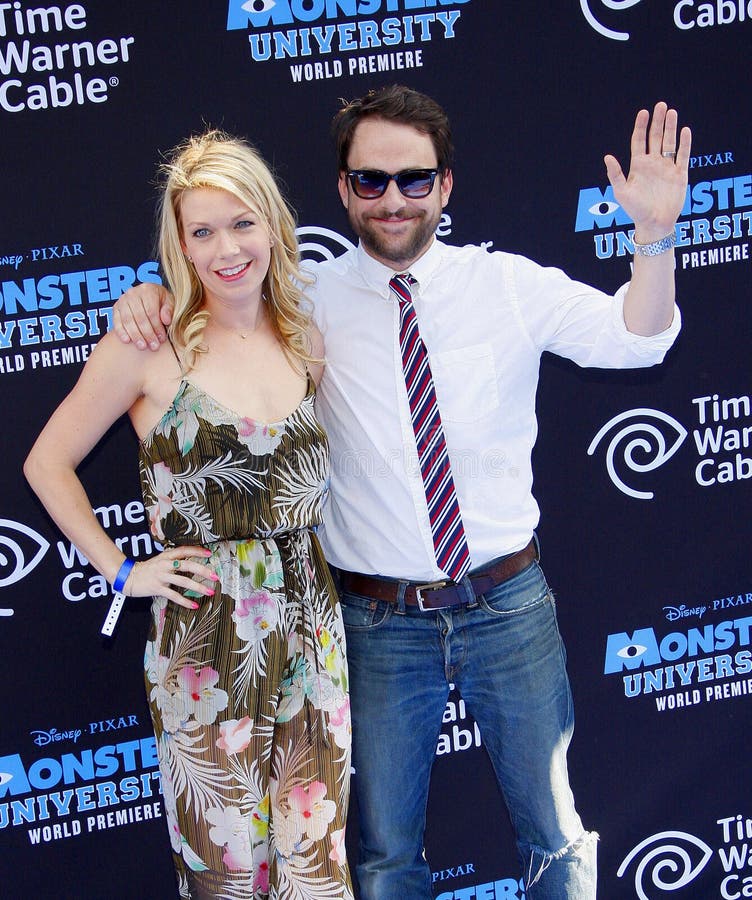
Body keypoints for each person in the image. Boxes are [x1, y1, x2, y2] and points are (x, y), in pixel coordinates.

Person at [111, 86, 691, 899]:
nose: (393, 199)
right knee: (383, 856)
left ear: (445, 186)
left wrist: (655, 236)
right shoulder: (297, 305)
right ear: (344, 190)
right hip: (375, 624)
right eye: (371, 180)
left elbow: (641, 339)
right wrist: (152, 300)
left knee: (556, 836)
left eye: (414, 179)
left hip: (508, 605)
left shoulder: (509, 285)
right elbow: (210, 305)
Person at [24, 131, 353, 900]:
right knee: (227, 872)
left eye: (242, 223)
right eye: (202, 231)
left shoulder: (305, 335)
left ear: (272, 222)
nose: (227, 248)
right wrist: (122, 570)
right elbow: (46, 462)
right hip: (207, 642)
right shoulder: (147, 344)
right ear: (178, 244)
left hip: (314, 627)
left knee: (317, 865)